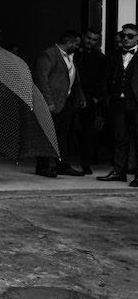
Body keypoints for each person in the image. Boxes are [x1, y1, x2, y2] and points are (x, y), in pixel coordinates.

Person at [34, 31, 87, 178]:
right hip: (52, 102)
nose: (78, 46)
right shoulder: (48, 54)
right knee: (47, 135)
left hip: (66, 102)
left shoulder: (70, 56)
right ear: (69, 42)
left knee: (63, 136)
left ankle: (61, 165)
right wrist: (49, 102)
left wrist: (80, 96)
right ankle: (43, 167)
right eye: (76, 43)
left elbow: (73, 78)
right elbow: (41, 78)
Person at [98, 23, 138, 186]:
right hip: (118, 103)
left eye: (130, 36)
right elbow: (106, 78)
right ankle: (118, 172)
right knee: (119, 138)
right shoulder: (115, 55)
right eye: (123, 35)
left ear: (137, 38)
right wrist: (108, 97)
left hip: (136, 102)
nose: (125, 39)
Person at [74, 30, 108, 174]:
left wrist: (97, 97)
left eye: (94, 40)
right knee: (66, 128)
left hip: (89, 96)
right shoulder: (74, 53)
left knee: (87, 131)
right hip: (70, 94)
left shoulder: (99, 58)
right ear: (83, 37)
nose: (90, 41)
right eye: (88, 38)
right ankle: (59, 163)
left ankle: (86, 163)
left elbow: (104, 79)